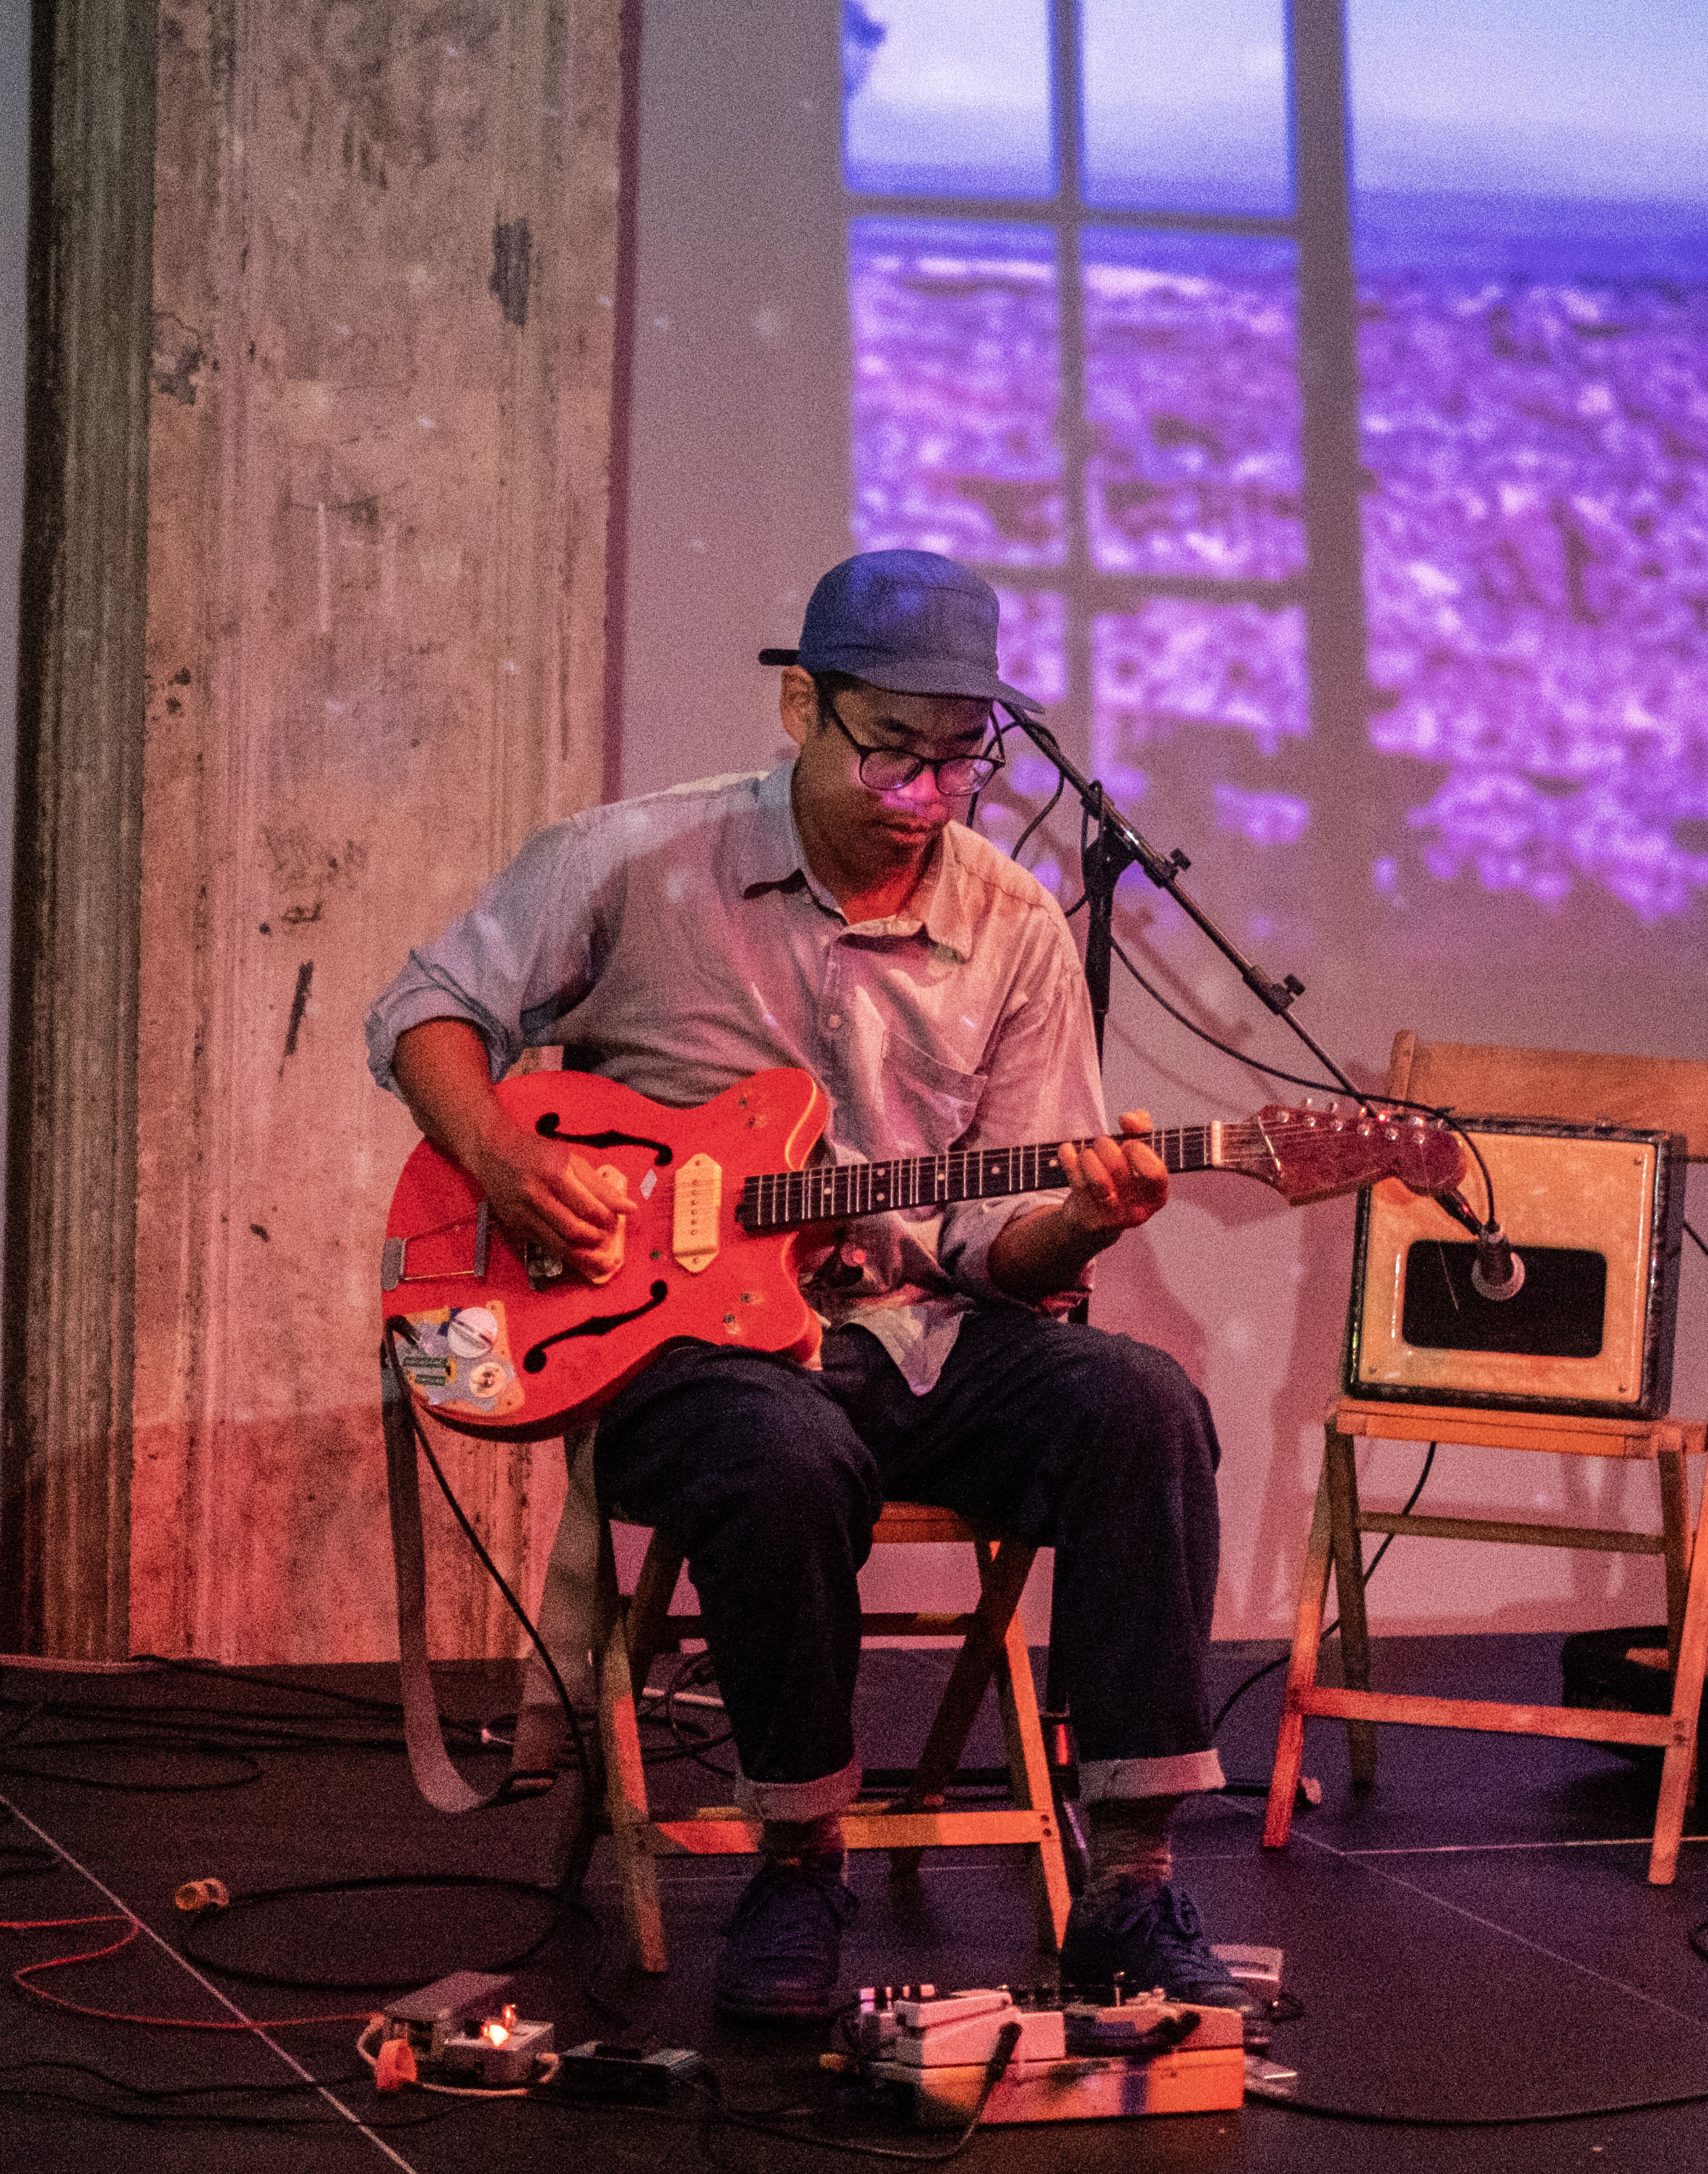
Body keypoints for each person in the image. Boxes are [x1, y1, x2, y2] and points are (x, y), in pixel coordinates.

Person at [366, 548, 1253, 2024]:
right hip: (688, 1359)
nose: (922, 791)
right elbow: (426, 1011)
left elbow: (1003, 1235)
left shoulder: (1014, 923)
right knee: (782, 1450)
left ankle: (1134, 1884)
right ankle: (799, 1857)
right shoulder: (636, 860)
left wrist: (1083, 1228)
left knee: (1145, 1404)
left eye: (958, 759)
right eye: (888, 748)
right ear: (803, 705)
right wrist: (509, 1162)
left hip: (920, 1330)